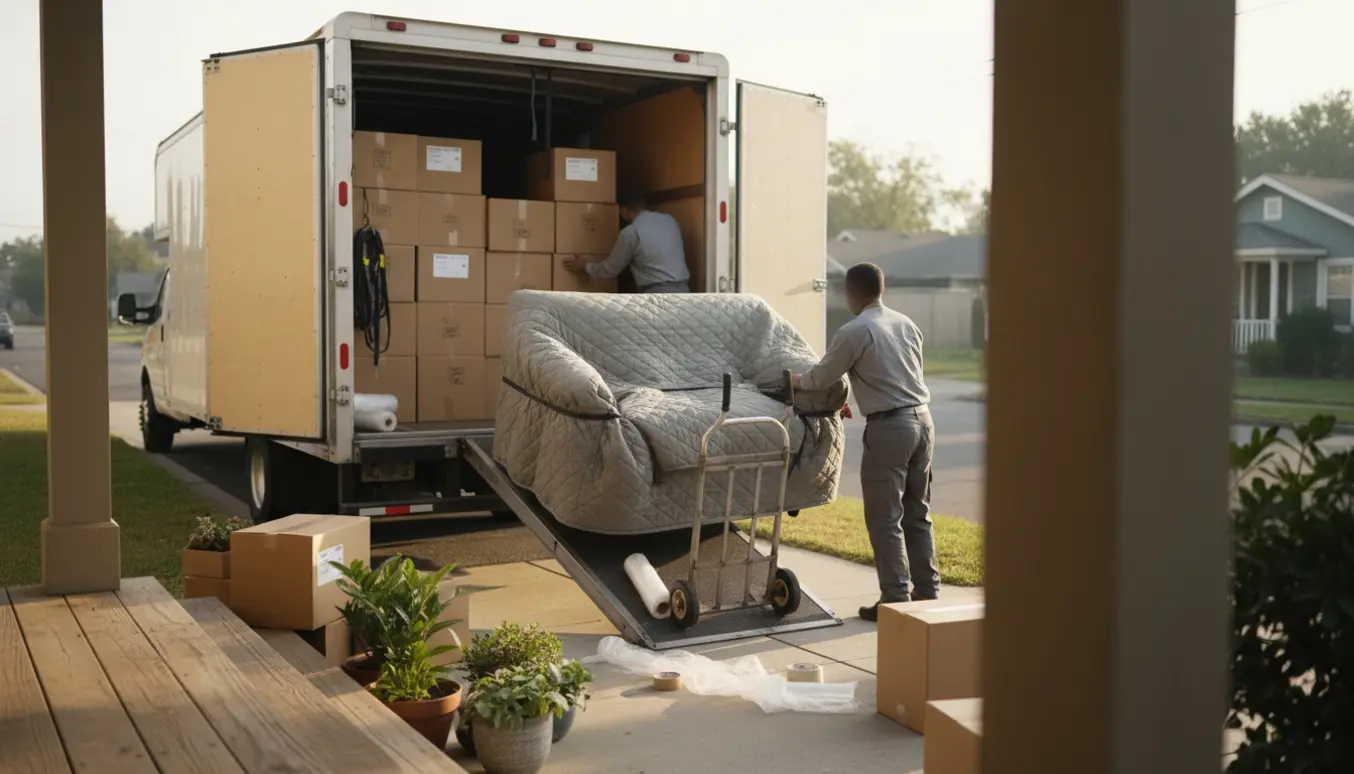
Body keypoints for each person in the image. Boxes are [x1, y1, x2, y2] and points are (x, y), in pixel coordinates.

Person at [792, 262, 938, 622]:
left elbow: (819, 378)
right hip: (923, 421)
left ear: (851, 291)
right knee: (917, 512)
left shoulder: (854, 330)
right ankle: (927, 592)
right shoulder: (906, 323)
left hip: (890, 429)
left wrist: (791, 380)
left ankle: (895, 598)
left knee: (885, 517)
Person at [562, 191, 690, 293]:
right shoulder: (669, 220)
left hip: (657, 295)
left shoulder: (631, 232)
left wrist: (585, 266)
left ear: (624, 211)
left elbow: (610, 269)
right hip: (684, 292)